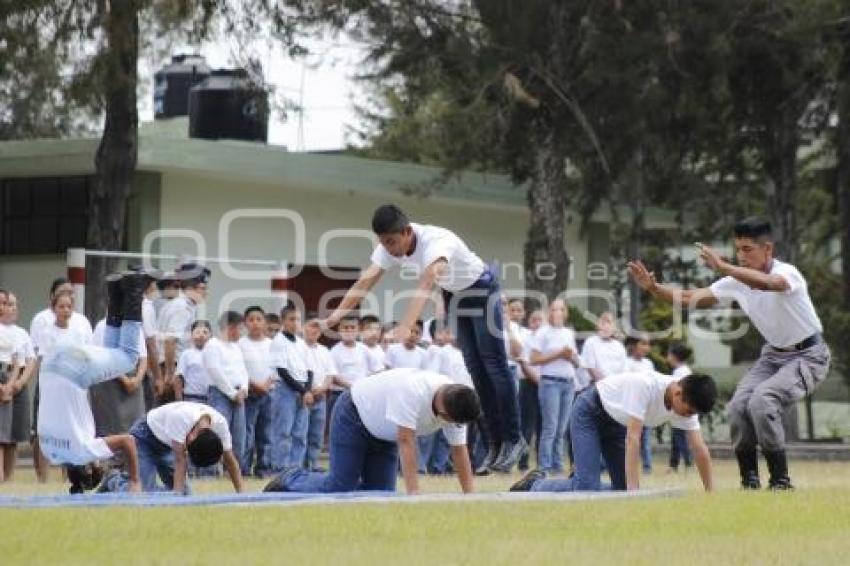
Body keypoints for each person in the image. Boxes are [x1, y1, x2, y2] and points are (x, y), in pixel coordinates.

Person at [629, 217, 830, 490]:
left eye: (747, 249)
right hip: (773, 356)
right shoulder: (736, 281)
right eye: (738, 249)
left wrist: (725, 266)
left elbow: (771, 284)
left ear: (767, 249)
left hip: (808, 355)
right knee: (737, 407)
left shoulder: (787, 273)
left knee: (763, 400)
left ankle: (780, 481)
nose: (741, 256)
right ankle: (749, 480)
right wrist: (653, 288)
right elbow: (689, 298)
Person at [321, 205, 524, 471]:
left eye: (392, 242)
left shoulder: (437, 242)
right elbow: (363, 283)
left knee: (494, 365)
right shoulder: (387, 247)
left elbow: (427, 284)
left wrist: (405, 327)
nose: (390, 250)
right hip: (456, 294)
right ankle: (494, 443)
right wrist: (333, 318)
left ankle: (513, 438)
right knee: (475, 369)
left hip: (483, 290)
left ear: (407, 232)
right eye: (383, 243)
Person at [263, 368, 480, 495]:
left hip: (384, 434)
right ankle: (292, 477)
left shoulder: (457, 401)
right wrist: (414, 495)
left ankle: (325, 475)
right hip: (354, 414)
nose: (454, 426)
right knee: (340, 487)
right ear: (443, 410)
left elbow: (459, 451)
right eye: (451, 421)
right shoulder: (413, 391)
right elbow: (406, 442)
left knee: (381, 494)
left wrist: (469, 497)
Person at [36, 272, 152, 494]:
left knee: (128, 358)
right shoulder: (51, 452)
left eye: (98, 466)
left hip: (72, 372)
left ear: (89, 469)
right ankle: (116, 291)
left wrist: (135, 481)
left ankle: (134, 290)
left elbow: (128, 441)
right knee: (112, 355)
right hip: (51, 364)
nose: (100, 462)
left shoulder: (82, 451)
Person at [511, 371, 717, 493]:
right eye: (689, 411)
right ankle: (534, 484)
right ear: (678, 393)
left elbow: (699, 449)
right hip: (590, 412)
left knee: (620, 490)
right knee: (587, 490)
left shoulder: (687, 404)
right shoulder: (646, 385)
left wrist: (710, 493)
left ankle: (581, 478)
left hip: (617, 424)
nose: (690, 416)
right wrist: (635, 493)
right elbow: (633, 439)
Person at [99, 400, 243, 494]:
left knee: (186, 494)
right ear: (191, 438)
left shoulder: (220, 425)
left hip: (167, 445)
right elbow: (180, 461)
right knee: (143, 494)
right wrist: (176, 497)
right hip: (145, 438)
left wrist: (241, 494)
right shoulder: (182, 419)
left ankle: (133, 480)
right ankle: (114, 479)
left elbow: (230, 461)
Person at [30, 288, 94, 483]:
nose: (65, 310)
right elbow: (45, 359)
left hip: (74, 388)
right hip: (51, 388)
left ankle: (71, 474)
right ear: (53, 308)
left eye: (69, 307)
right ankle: (43, 477)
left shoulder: (78, 330)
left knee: (73, 428)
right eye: (61, 306)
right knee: (46, 427)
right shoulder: (47, 332)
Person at [530, 298, 580, 474]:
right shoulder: (543, 333)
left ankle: (558, 466)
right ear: (549, 312)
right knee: (550, 427)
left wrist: (570, 357)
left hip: (568, 383)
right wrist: (558, 354)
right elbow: (534, 359)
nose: (557, 313)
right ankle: (544, 466)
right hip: (550, 382)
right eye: (554, 309)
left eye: (561, 309)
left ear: (565, 313)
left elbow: (576, 361)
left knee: (562, 428)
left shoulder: (568, 333)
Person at [202, 311, 249, 470]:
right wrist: (232, 393)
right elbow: (215, 371)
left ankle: (234, 469)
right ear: (231, 327)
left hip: (239, 394)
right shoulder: (213, 344)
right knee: (217, 432)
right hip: (220, 393)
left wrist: (243, 389)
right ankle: (213, 470)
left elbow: (243, 370)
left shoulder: (236, 347)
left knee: (238, 435)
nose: (242, 333)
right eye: (240, 328)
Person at [89, 316, 148, 438]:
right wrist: (124, 379)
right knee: (111, 431)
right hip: (110, 380)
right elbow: (100, 356)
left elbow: (143, 356)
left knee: (136, 429)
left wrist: (137, 379)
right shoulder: (103, 326)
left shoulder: (134, 326)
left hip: (133, 381)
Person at [270, 304, 312, 471]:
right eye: (291, 319)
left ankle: (296, 468)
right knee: (284, 431)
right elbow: (282, 371)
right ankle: (281, 468)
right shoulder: (278, 342)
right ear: (283, 321)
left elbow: (309, 369)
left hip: (302, 389)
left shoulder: (301, 343)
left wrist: (307, 390)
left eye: (298, 319)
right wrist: (303, 391)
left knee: (300, 433)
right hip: (286, 389)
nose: (295, 323)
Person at [0, 292, 37, 481]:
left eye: (14, 304)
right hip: (3, 377)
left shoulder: (21, 332)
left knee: (14, 435)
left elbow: (30, 360)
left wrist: (20, 382)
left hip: (18, 382)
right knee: (1, 433)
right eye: (8, 304)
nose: (13, 308)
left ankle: (9, 477)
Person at [159, 264, 209, 403]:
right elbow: (170, 341)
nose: (206, 293)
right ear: (191, 287)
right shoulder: (182, 308)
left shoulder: (179, 304)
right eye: (203, 288)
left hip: (171, 365)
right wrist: (170, 374)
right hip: (172, 366)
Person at [238, 306, 277, 477]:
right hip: (249, 394)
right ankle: (244, 468)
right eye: (251, 319)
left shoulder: (272, 344)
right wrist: (255, 385)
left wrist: (266, 385)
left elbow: (277, 368)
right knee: (247, 433)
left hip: (269, 393)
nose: (255, 323)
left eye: (259, 319)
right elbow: (238, 369)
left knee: (266, 432)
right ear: (245, 323)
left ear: (265, 322)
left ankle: (264, 467)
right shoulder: (240, 344)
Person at [302, 315, 339, 471]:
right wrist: (307, 391)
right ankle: (299, 465)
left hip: (321, 397)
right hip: (303, 396)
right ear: (303, 327)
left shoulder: (325, 350)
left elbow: (330, 374)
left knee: (316, 434)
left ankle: (313, 463)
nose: (315, 330)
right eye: (311, 326)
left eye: (318, 327)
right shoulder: (298, 348)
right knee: (301, 432)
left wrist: (323, 388)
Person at [624, 334, 656, 473]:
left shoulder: (648, 364)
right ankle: (628, 465)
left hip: (646, 406)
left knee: (645, 438)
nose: (646, 347)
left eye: (648, 344)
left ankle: (647, 466)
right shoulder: (626, 363)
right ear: (634, 345)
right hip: (631, 406)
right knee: (631, 436)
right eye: (643, 344)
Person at [666, 342, 694, 473]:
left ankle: (688, 463)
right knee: (676, 438)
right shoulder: (685, 370)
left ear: (674, 356)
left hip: (680, 410)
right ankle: (673, 465)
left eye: (669, 354)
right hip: (684, 409)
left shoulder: (679, 372)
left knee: (679, 438)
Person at [175, 320, 212, 403]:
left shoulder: (214, 354)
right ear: (191, 335)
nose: (201, 335)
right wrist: (179, 401)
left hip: (211, 399)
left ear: (210, 336)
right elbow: (178, 378)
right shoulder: (187, 354)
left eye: (205, 332)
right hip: (191, 398)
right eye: (197, 332)